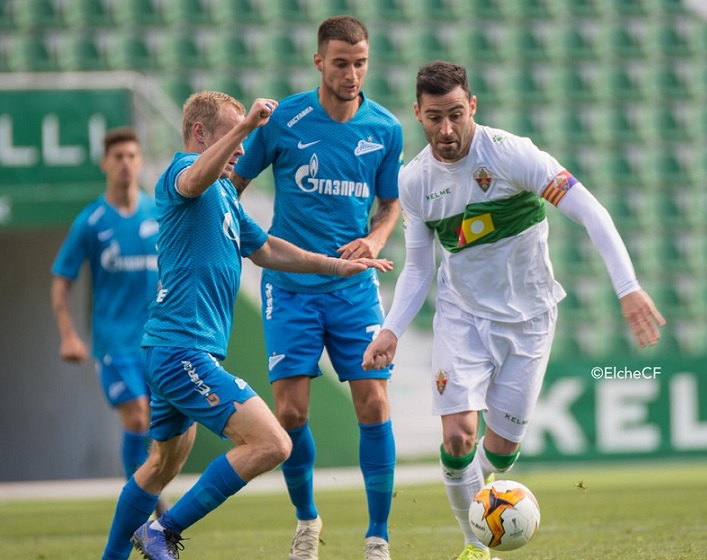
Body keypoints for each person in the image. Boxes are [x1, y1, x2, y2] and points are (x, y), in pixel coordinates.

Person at [362, 61, 666, 560]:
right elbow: (418, 269)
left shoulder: (511, 155)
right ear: (417, 113)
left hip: (531, 319)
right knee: (459, 437)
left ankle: (483, 498)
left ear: (472, 106)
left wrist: (628, 287)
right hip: (461, 317)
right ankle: (474, 546)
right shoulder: (414, 182)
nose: (446, 129)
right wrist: (392, 329)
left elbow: (590, 210)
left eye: (456, 114)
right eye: (434, 117)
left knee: (500, 453)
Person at [101, 90, 392, 560]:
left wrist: (335, 267)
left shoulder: (224, 196)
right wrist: (248, 124)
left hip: (177, 349)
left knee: (159, 465)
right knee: (272, 441)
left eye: (244, 137)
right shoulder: (180, 173)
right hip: (181, 350)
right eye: (232, 135)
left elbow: (269, 250)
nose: (242, 148)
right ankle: (162, 531)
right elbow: (194, 179)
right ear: (200, 133)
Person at [231, 15, 402, 560]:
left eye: (361, 63)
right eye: (341, 63)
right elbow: (233, 185)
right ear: (319, 62)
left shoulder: (385, 129)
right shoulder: (285, 120)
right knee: (291, 415)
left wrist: (375, 238)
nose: (352, 74)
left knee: (374, 403)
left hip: (353, 289)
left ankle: (378, 535)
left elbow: (391, 202)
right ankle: (308, 521)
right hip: (290, 287)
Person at [50, 128, 168, 517]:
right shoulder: (92, 221)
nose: (126, 163)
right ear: (105, 163)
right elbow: (61, 282)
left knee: (162, 428)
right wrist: (69, 335)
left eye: (132, 156)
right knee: (136, 414)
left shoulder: (158, 211)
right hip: (114, 342)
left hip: (159, 340)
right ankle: (145, 506)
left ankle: (147, 494)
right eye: (117, 157)